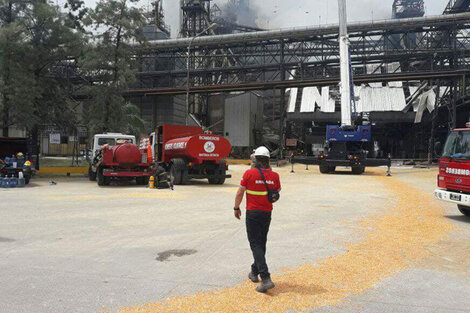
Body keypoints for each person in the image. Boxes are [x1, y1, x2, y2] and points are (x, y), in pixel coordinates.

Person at [234, 146, 281, 293]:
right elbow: (277, 192)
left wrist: (236, 208)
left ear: (255, 159)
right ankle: (254, 272)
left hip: (253, 214)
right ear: (268, 160)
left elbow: (240, 192)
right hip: (266, 214)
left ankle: (266, 278)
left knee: (255, 244)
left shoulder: (249, 173)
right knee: (261, 243)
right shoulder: (275, 176)